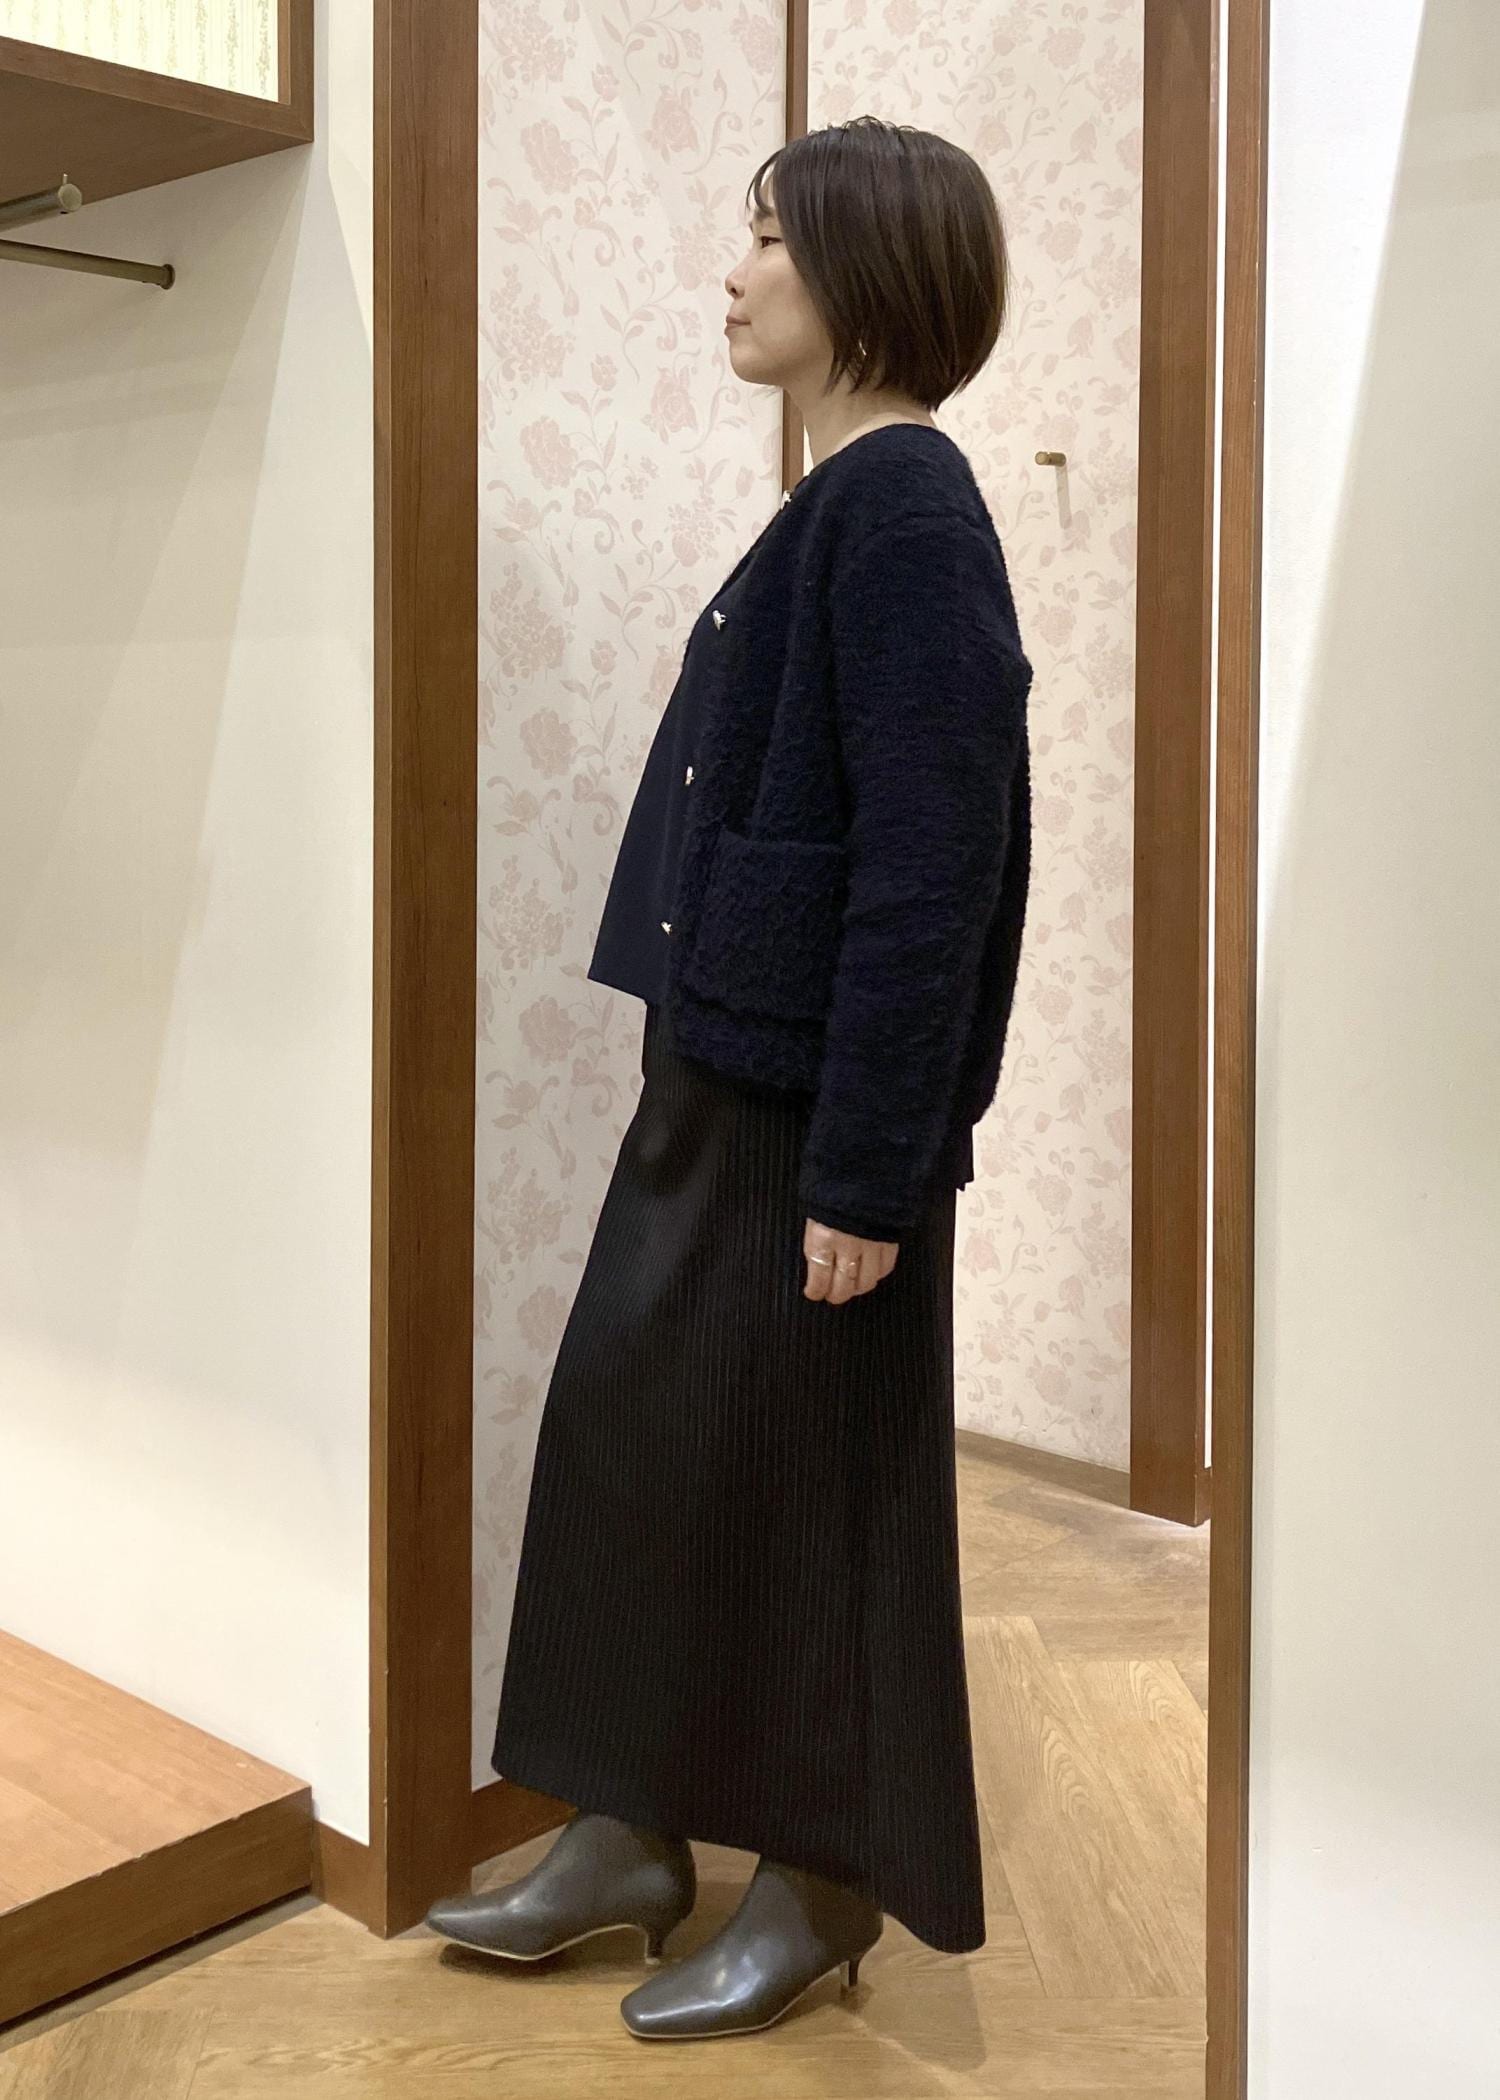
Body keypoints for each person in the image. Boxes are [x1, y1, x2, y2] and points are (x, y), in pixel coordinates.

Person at [426, 114, 1034, 2042]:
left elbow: (936, 865)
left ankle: (824, 1882)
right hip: (726, 1067)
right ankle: (627, 1828)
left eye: (768, 235)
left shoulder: (910, 507)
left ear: (863, 271)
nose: (735, 266)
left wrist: (868, 1171)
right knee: (640, 1442)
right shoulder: (842, 499)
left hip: (812, 1118)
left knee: (814, 1500)